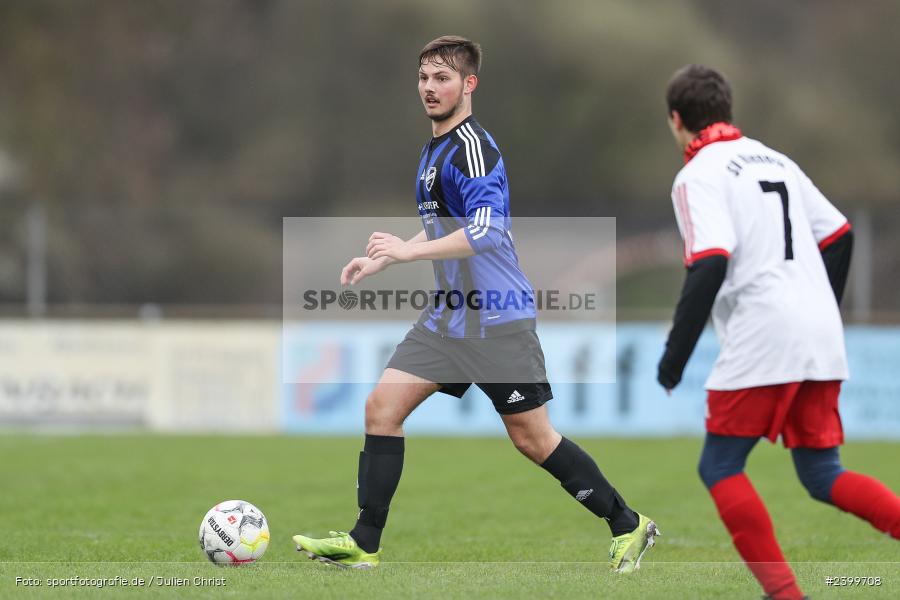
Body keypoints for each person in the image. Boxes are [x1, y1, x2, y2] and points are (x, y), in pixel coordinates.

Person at [293, 35, 659, 572]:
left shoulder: (473, 148)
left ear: (469, 85)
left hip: (497, 321)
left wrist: (406, 253)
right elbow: (447, 226)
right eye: (423, 77)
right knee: (381, 409)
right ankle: (364, 542)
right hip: (448, 319)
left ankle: (628, 523)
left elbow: (487, 230)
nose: (429, 88)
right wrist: (388, 259)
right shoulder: (433, 150)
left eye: (442, 78)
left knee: (533, 439)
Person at [658, 64, 900, 600]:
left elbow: (710, 263)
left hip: (764, 331)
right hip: (819, 332)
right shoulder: (776, 160)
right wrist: (817, 308)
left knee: (720, 465)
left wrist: (673, 359)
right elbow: (839, 235)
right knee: (822, 474)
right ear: (727, 109)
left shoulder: (696, 176)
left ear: (676, 120)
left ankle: (786, 595)